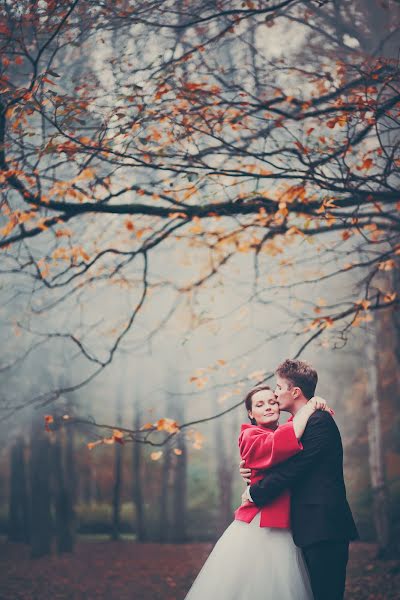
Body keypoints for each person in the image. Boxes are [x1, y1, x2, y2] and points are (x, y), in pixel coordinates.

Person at [184, 383, 329, 600]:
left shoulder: (287, 427)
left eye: (272, 402)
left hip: (285, 522)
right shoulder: (249, 434)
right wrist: (308, 408)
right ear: (250, 413)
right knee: (254, 582)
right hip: (260, 521)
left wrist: (315, 404)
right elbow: (280, 444)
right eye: (260, 405)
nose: (268, 407)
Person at [240, 359, 359, 600]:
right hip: (308, 527)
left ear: (295, 392)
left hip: (324, 526)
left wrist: (256, 492)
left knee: (326, 594)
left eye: (278, 388)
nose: (275, 393)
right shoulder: (299, 425)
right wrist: (250, 472)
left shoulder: (319, 422)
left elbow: (294, 469)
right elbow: (276, 456)